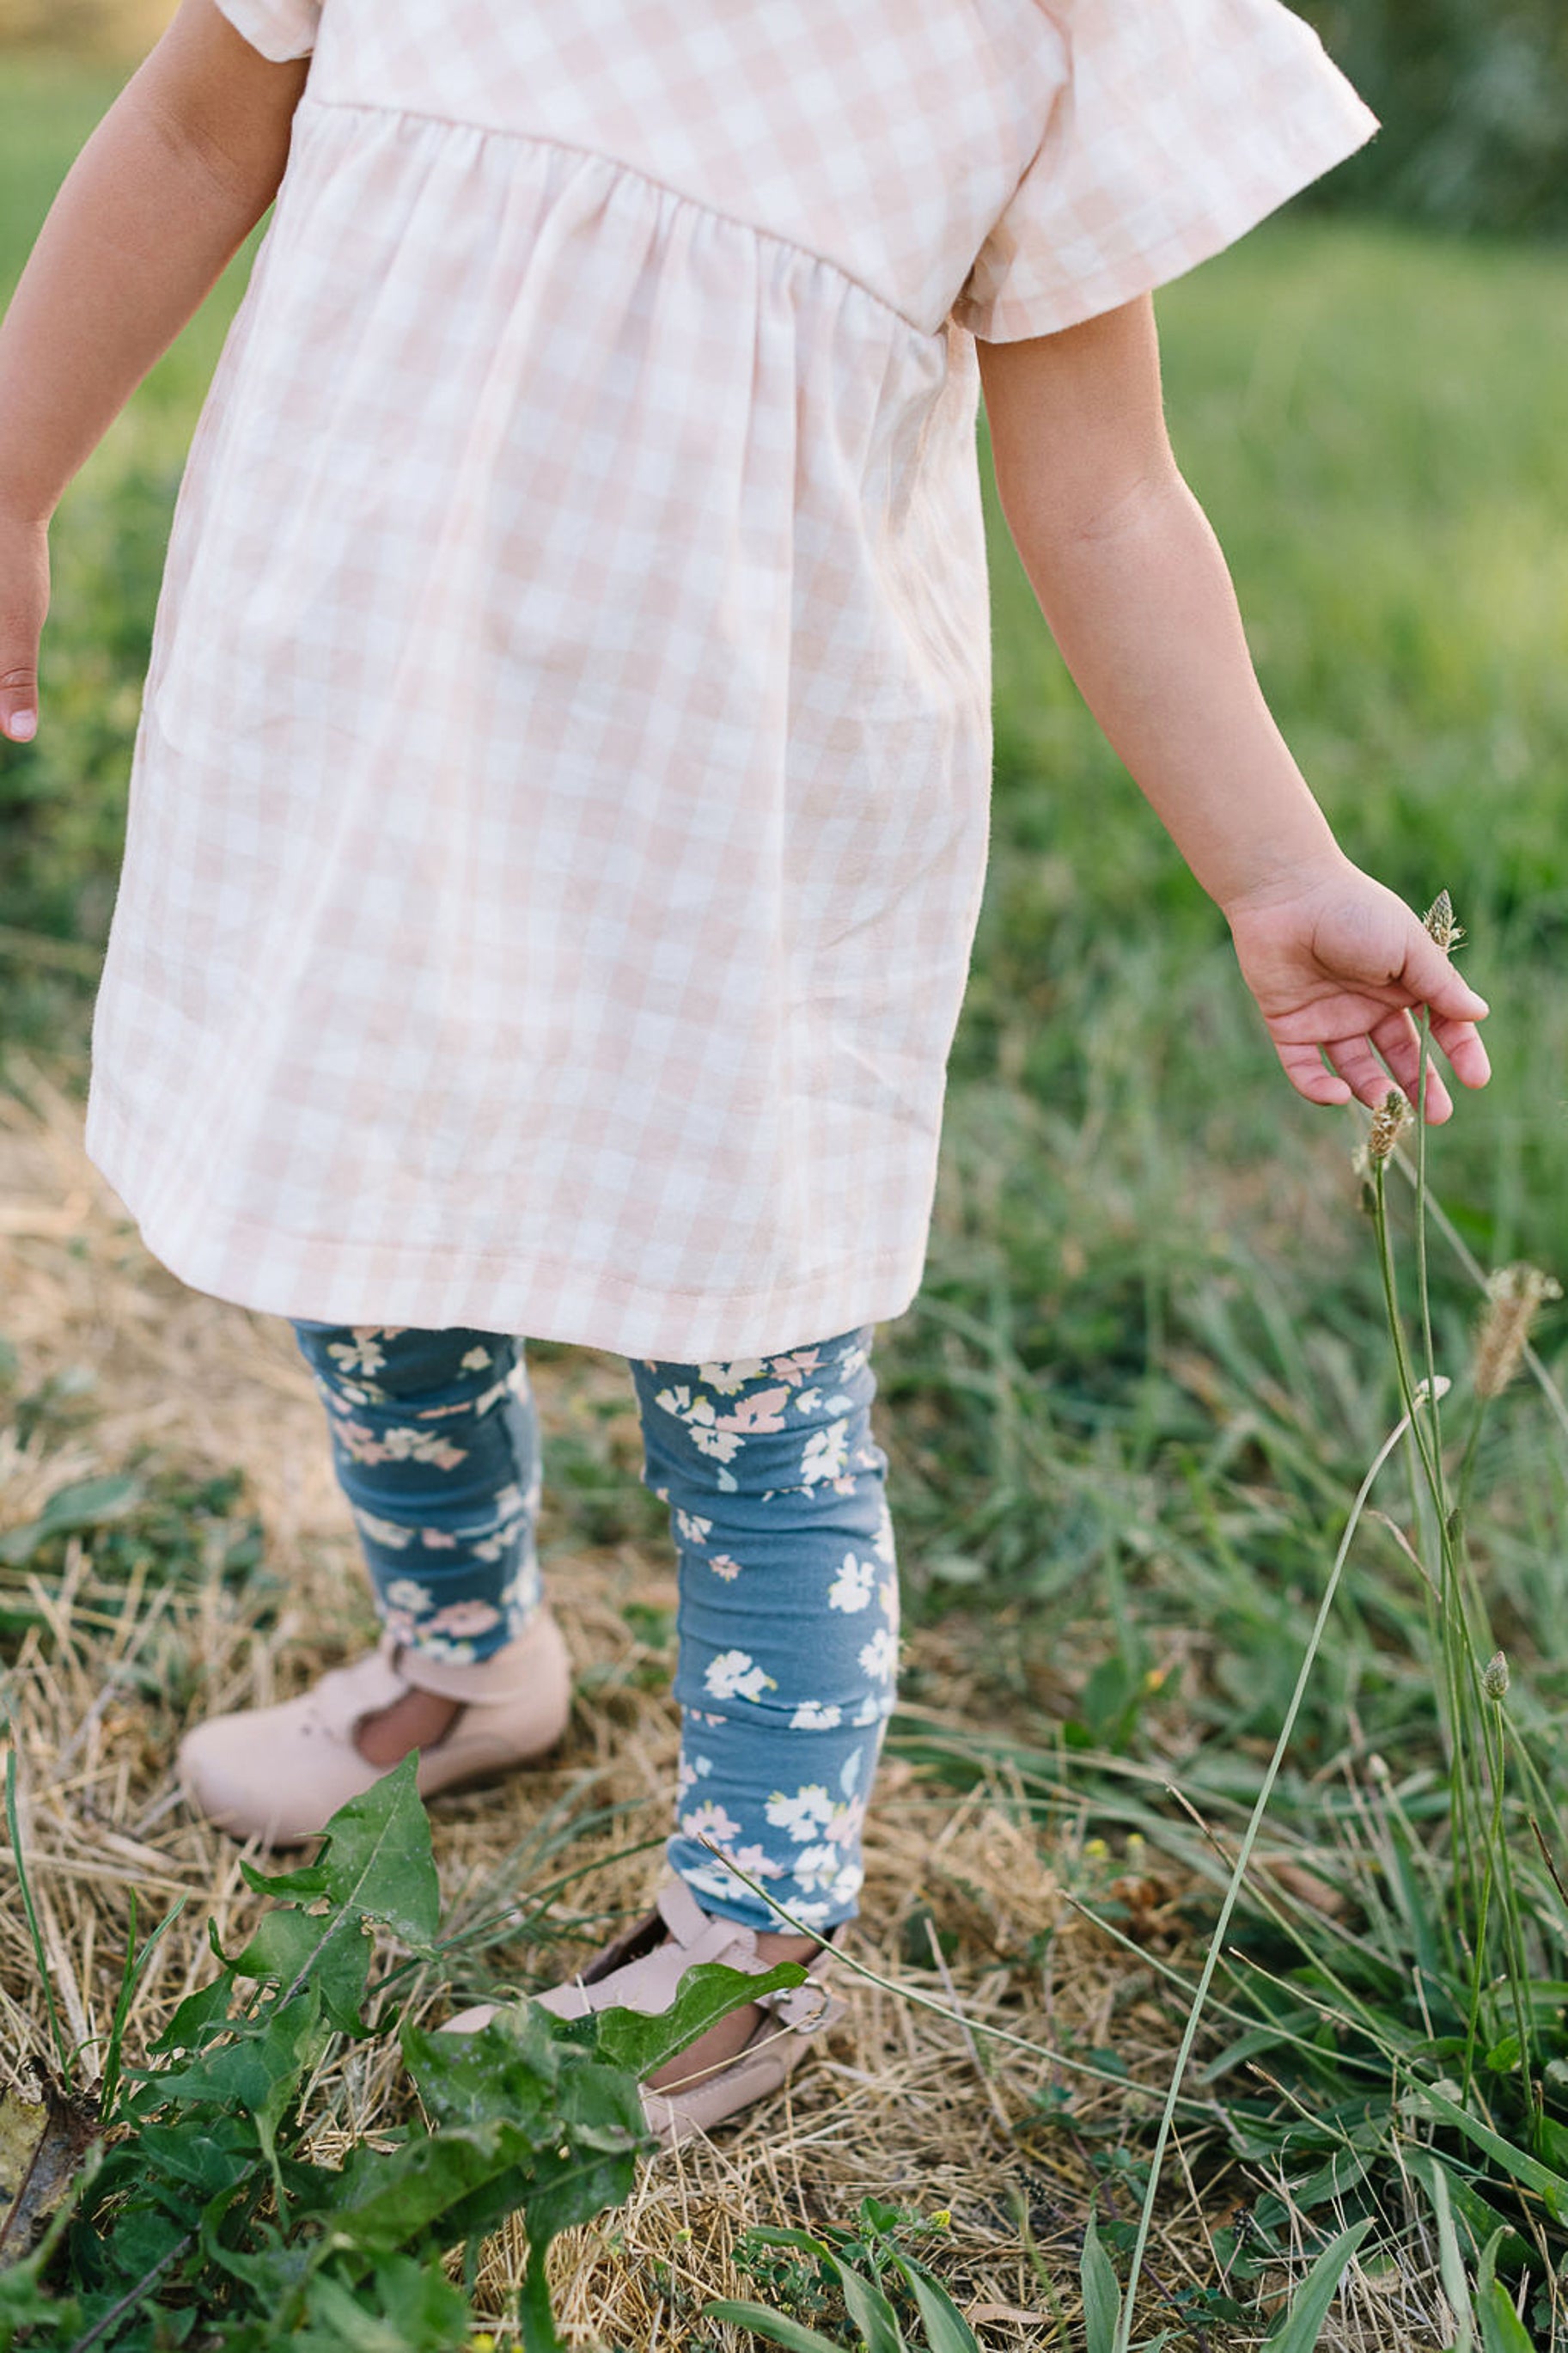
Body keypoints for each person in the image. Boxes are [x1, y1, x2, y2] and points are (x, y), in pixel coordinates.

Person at [0, 0, 1492, 2142]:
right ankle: (465, 1654)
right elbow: (185, 139)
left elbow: (1109, 493)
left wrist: (1274, 865)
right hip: (363, 703)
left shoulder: (1045, 26)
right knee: (365, 1206)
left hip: (730, 813)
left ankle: (748, 1934)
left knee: (754, 1366)